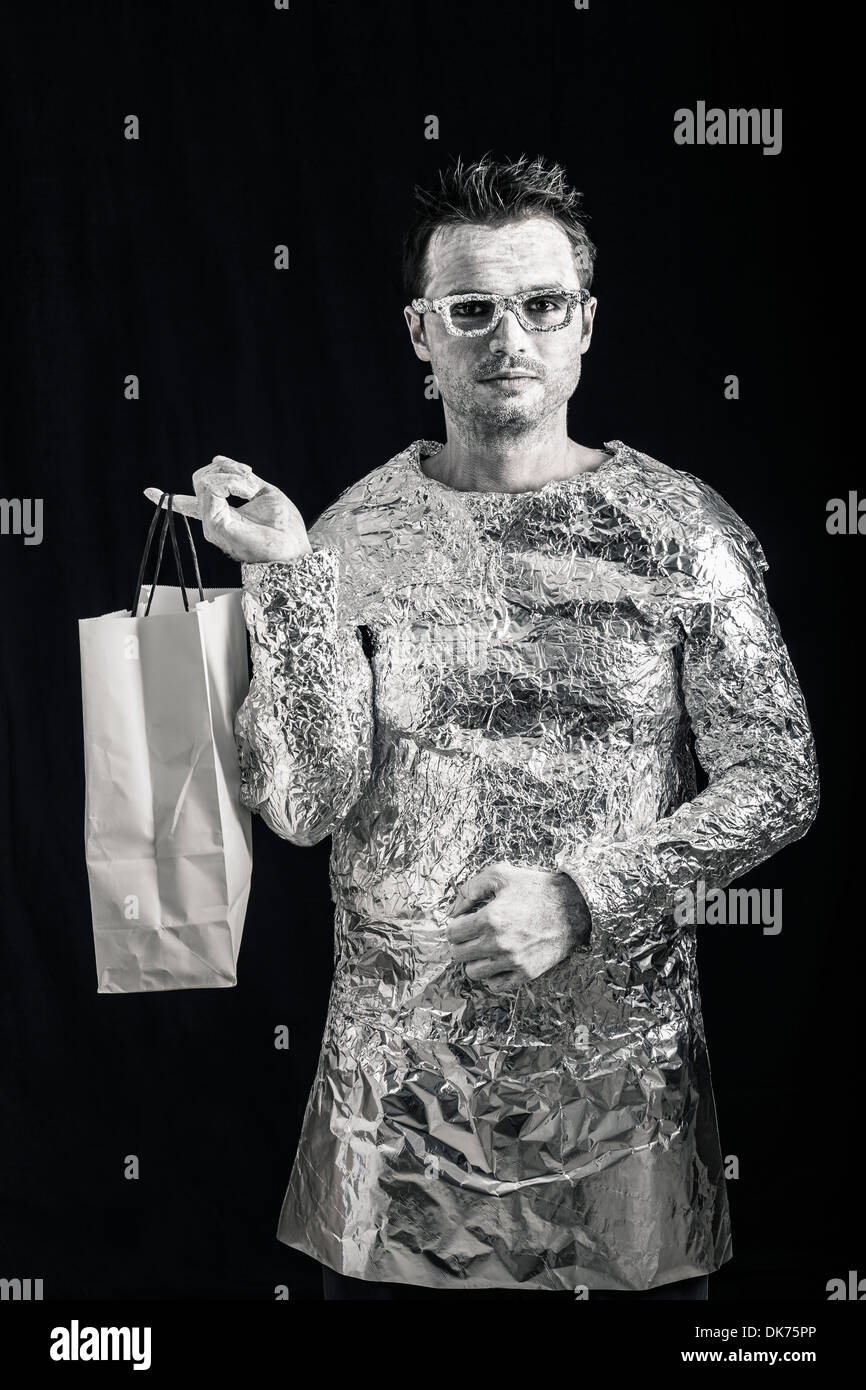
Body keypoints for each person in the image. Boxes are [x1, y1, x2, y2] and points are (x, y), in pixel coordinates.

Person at [147, 154, 819, 1300]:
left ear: (585, 324)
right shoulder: (352, 532)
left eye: (540, 303)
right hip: (393, 1109)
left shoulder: (679, 533)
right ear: (421, 333)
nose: (507, 336)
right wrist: (288, 579)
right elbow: (306, 807)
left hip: (620, 1111)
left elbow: (778, 776)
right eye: (470, 308)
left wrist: (578, 895)